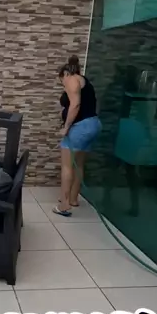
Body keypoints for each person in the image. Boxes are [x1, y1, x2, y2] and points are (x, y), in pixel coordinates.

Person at [54, 56, 101, 217]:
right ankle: (73, 199)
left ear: (65, 74)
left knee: (67, 166)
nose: (63, 85)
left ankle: (64, 205)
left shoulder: (71, 79)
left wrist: (66, 127)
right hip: (92, 125)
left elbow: (75, 104)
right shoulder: (83, 80)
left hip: (80, 127)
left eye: (62, 81)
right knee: (78, 164)